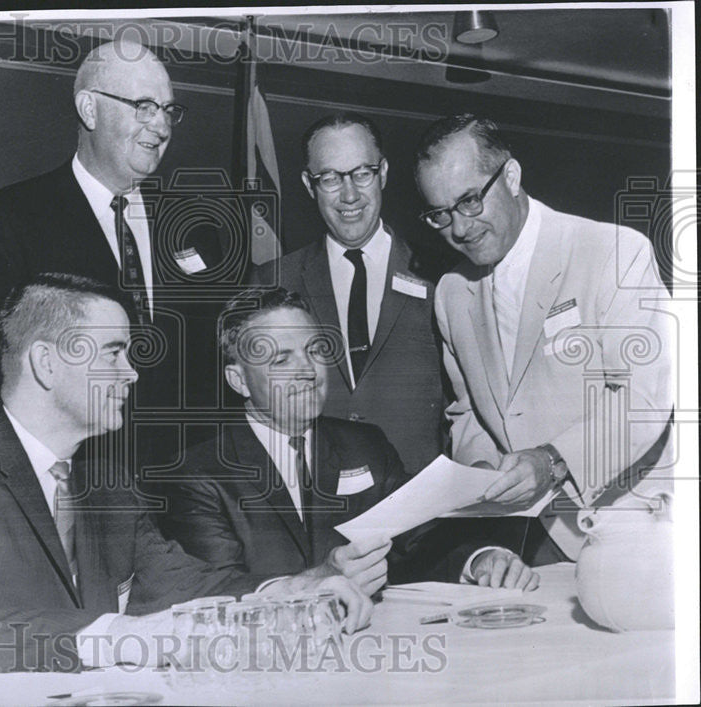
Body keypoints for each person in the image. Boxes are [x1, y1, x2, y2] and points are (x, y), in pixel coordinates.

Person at [0, 274, 382, 683]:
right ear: (47, 363)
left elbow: (184, 582)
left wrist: (291, 589)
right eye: (113, 352)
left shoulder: (106, 482)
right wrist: (122, 635)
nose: (132, 373)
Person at [155, 286, 540, 591]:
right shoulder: (198, 475)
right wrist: (315, 581)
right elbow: (216, 592)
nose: (307, 370)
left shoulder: (365, 446)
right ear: (238, 380)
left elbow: (423, 541)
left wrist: (483, 559)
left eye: (313, 351)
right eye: (281, 360)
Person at [0, 39, 235, 432]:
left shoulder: (196, 226)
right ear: (89, 109)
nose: (161, 126)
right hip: (73, 472)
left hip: (186, 474)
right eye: (143, 106)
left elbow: (220, 360)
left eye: (168, 110)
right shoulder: (13, 216)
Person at [414, 114, 673, 563]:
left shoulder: (614, 253)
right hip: (533, 535)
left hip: (632, 526)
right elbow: (468, 413)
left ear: (511, 176)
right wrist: (480, 475)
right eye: (441, 214)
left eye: (470, 201)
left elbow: (645, 398)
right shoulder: (452, 293)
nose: (459, 228)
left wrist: (553, 460)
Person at [251, 113, 443, 474]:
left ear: (383, 173)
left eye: (362, 173)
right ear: (310, 185)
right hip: (315, 502)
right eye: (331, 178)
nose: (350, 194)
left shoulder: (438, 275)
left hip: (419, 508)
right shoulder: (273, 281)